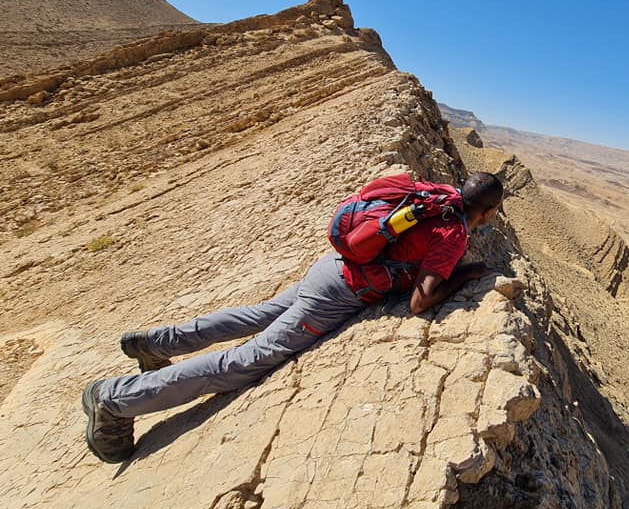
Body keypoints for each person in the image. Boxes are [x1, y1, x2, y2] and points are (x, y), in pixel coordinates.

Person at [82, 172, 504, 463]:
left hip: (331, 267)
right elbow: (420, 302)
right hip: (340, 292)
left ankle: (157, 344)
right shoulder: (453, 233)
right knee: (246, 360)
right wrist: (466, 272)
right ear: (486, 212)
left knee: (257, 315)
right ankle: (116, 401)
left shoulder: (437, 196)